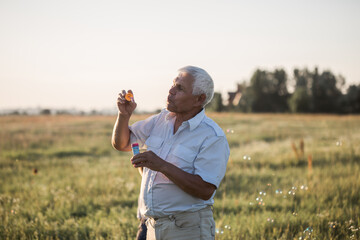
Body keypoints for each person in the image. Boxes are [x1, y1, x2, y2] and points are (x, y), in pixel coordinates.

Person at [111, 66, 230, 240]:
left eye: (180, 88)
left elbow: (205, 190)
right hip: (151, 226)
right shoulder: (161, 119)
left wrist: (162, 166)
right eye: (173, 85)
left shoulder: (212, 136)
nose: (171, 91)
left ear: (199, 99)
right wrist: (123, 115)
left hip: (187, 230)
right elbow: (121, 144)